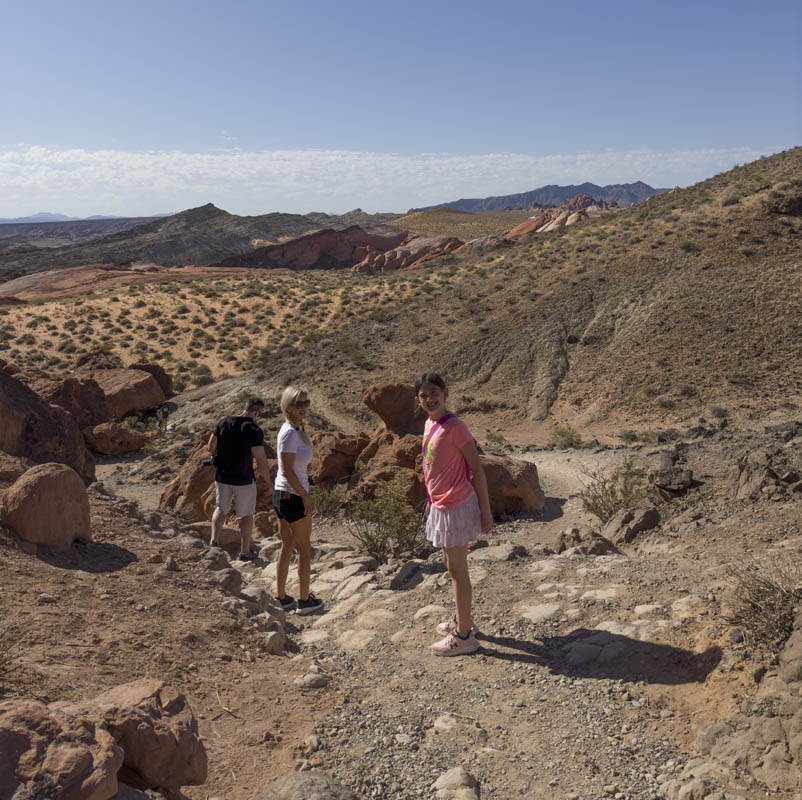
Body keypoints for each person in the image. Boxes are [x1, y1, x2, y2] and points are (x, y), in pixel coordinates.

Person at [416, 373, 492, 656]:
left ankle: (464, 637)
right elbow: (431, 467)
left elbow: (477, 469)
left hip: (457, 505)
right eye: (423, 395)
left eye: (434, 393)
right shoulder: (430, 422)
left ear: (445, 393)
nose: (429, 399)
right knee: (450, 565)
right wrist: (429, 500)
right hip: (440, 504)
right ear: (418, 400)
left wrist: (486, 513)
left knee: (459, 571)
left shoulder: (456, 427)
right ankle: (462, 620)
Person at [273, 386, 324, 615]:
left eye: (306, 402)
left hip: (283, 495)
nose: (303, 407)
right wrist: (305, 497)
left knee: (287, 546)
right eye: (298, 404)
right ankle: (304, 601)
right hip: (292, 496)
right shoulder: (290, 433)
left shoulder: (295, 429)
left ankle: (282, 597)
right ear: (288, 406)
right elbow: (286, 471)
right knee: (304, 549)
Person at [207, 397, 273, 560]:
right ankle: (244, 551)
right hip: (243, 479)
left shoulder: (224, 422)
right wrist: (268, 482)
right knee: (247, 515)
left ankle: (213, 541)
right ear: (256, 412)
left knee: (221, 508)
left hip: (222, 477)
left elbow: (210, 447)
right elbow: (260, 459)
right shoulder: (253, 429)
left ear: (245, 408)